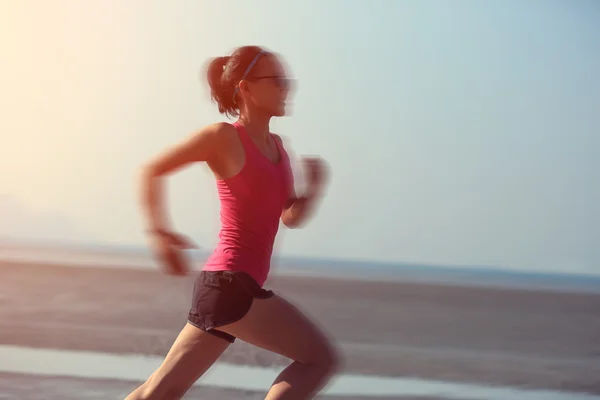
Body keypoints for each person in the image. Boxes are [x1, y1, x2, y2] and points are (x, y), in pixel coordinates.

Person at [125, 46, 340, 400]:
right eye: (277, 81)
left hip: (223, 290)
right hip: (231, 285)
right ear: (246, 88)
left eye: (288, 81)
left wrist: (312, 191)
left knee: (160, 392)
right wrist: (160, 233)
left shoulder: (279, 149)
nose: (286, 89)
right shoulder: (223, 138)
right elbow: (152, 171)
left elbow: (288, 217)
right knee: (318, 360)